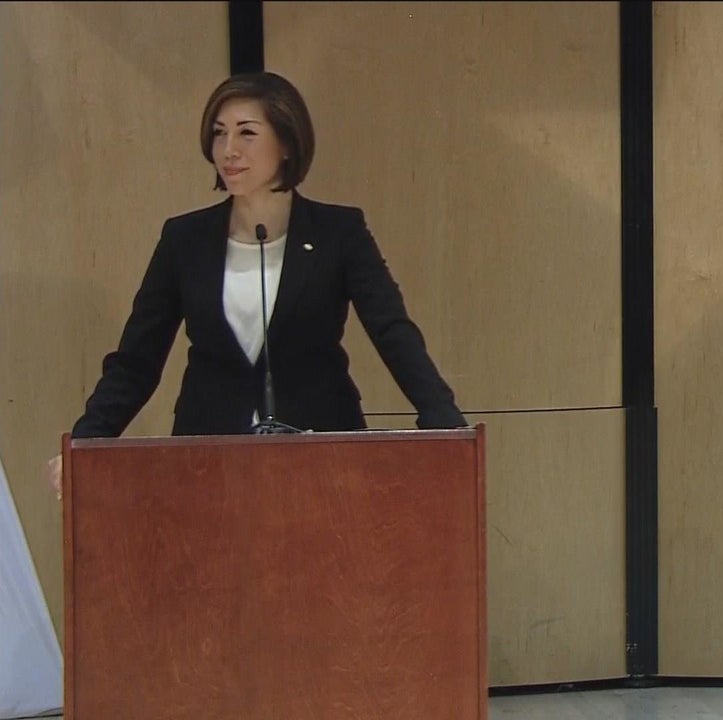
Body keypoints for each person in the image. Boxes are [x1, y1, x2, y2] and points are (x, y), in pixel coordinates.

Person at [48, 71, 465, 494]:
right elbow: (137, 360)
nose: (228, 150)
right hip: (206, 460)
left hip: (320, 456)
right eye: (219, 133)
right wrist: (86, 443)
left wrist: (446, 426)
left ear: (286, 142)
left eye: (247, 133)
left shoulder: (339, 233)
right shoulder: (184, 239)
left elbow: (393, 333)